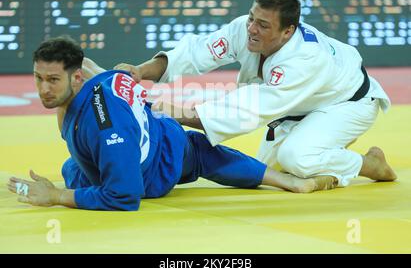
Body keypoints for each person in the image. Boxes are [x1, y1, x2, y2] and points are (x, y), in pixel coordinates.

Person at [7, 37, 337, 212]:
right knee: (72, 168)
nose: (43, 89)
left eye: (52, 79)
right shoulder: (94, 76)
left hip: (159, 166)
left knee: (199, 151)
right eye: (38, 78)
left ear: (76, 78)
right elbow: (91, 64)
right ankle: (288, 181)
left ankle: (292, 182)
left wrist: (57, 197)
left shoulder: (107, 126)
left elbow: (125, 196)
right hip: (142, 127)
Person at [115, 0, 397, 188]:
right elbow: (194, 54)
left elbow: (247, 110)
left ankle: (371, 165)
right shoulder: (245, 30)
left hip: (348, 104)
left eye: (263, 25)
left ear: (288, 31)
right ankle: (328, 146)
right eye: (252, 18)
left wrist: (166, 111)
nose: (251, 29)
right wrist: (140, 71)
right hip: (301, 107)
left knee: (297, 158)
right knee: (274, 172)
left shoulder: (306, 59)